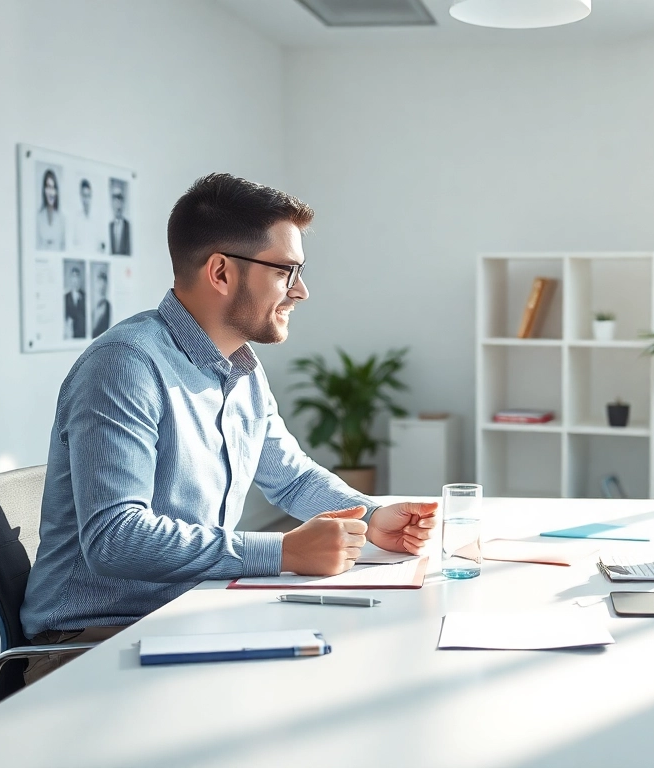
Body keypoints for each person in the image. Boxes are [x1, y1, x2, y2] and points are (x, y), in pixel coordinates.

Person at [22, 173, 437, 682]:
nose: (301, 291)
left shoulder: (240, 367)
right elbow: (116, 537)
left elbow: (291, 477)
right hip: (89, 643)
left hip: (187, 613)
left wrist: (373, 516)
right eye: (287, 270)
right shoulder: (126, 365)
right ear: (220, 271)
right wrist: (283, 551)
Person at [36, 168, 65, 251]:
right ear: (44, 190)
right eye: (48, 187)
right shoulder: (38, 217)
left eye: (53, 188)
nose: (51, 192)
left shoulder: (62, 218)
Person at [63, 264, 86, 339]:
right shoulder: (65, 298)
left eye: (77, 276)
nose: (75, 280)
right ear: (70, 279)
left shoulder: (85, 296)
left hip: (82, 336)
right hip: (70, 337)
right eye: (73, 276)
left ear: (80, 279)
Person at [108, 178, 131, 255]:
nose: (118, 204)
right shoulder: (109, 226)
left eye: (120, 199)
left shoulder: (128, 226)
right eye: (115, 199)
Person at [91, 267, 110, 338]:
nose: (101, 287)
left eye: (103, 284)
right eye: (99, 283)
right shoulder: (93, 302)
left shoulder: (106, 305)